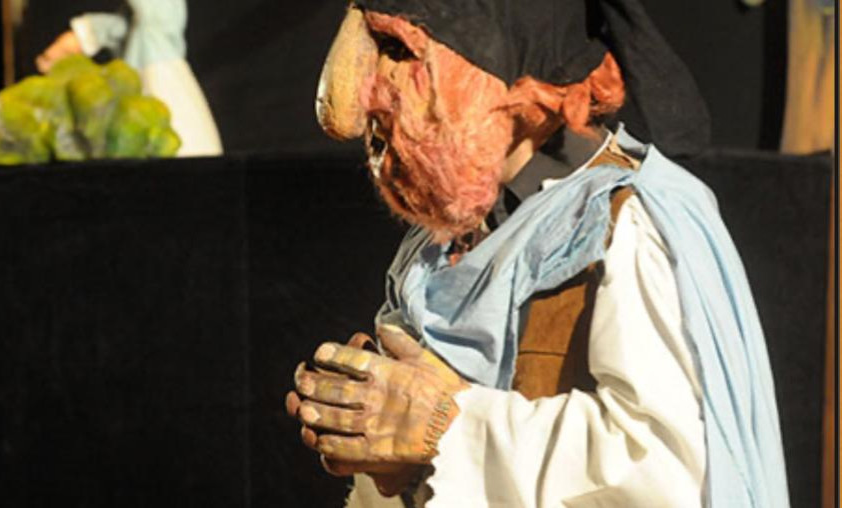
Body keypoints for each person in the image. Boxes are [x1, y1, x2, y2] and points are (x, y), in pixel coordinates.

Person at [285, 1, 790, 507]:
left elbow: (666, 470)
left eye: (397, 49)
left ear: (514, 74)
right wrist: (385, 438)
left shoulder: (622, 225)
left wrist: (446, 427)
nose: (357, 104)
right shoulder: (440, 242)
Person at [35, 0, 223, 157]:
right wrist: (80, 37)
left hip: (160, 81)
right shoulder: (147, 25)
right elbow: (123, 27)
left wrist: (86, 34)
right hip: (137, 90)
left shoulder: (158, 21)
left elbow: (155, 15)